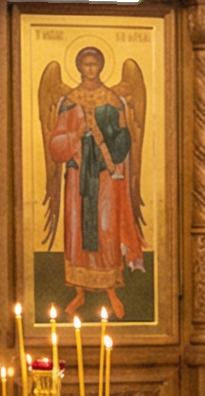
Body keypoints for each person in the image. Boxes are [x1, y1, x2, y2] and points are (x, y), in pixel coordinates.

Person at [42, 45, 144, 320]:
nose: (90, 69)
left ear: (100, 66)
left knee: (106, 228)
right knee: (77, 229)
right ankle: (79, 290)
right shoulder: (69, 102)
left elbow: (124, 138)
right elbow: (56, 144)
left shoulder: (111, 101)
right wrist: (76, 134)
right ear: (79, 67)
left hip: (104, 177)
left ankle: (111, 289)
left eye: (94, 64)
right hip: (77, 177)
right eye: (85, 64)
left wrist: (111, 151)